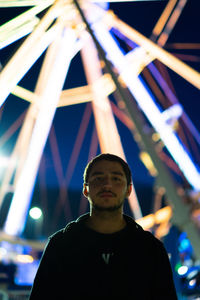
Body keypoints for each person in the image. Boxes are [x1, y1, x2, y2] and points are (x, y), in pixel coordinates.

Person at [29, 153, 178, 299]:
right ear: (86, 189)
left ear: (128, 190)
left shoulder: (151, 249)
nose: (107, 185)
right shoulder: (60, 245)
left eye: (116, 179)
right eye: (98, 178)